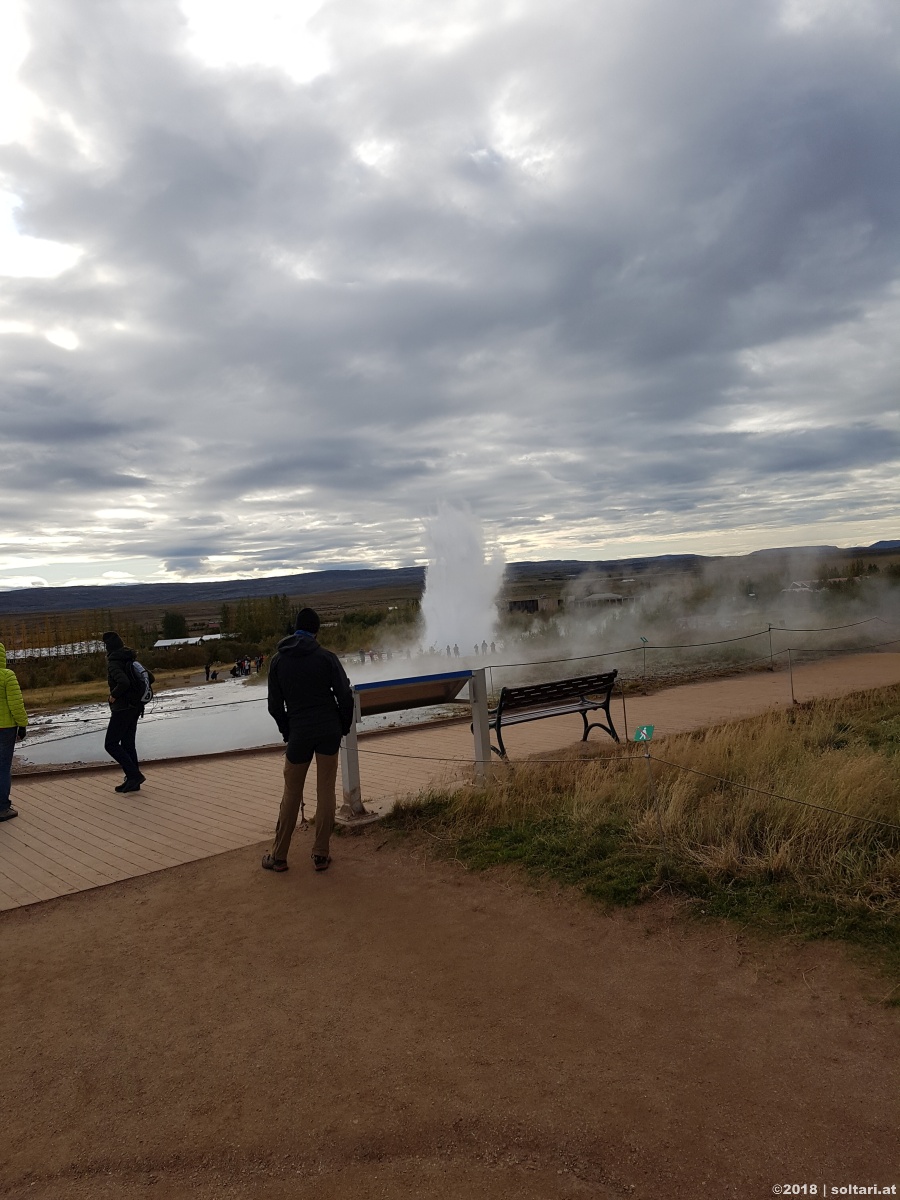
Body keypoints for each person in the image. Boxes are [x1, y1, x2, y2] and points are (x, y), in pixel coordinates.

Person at [263, 608, 353, 874]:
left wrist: (286, 731)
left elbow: (274, 705)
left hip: (299, 732)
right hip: (328, 731)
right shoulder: (326, 658)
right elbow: (345, 696)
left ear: (295, 629)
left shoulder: (279, 661)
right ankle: (321, 855)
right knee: (325, 790)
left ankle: (279, 856)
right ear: (317, 631)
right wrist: (342, 725)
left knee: (291, 792)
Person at [102, 631, 153, 794]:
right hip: (136, 707)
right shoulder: (130, 658)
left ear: (108, 647)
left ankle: (134, 775)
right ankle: (133, 781)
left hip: (123, 708)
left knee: (110, 744)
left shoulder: (114, 662)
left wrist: (113, 695)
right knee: (128, 743)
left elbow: (122, 682)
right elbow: (150, 677)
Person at [0, 642, 28, 822]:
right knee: (2, 767)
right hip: (5, 728)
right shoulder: (7, 676)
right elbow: (15, 704)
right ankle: (2, 807)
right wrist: (22, 724)